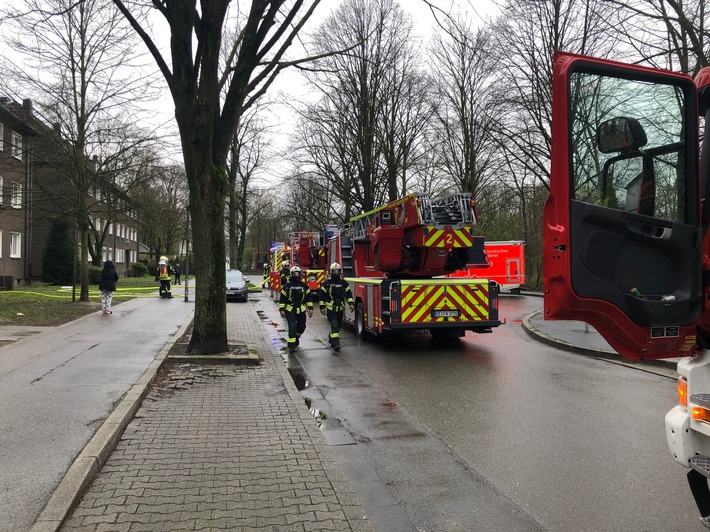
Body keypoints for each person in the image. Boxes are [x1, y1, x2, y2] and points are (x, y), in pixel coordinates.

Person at [319, 262, 354, 351]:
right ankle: (336, 344)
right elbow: (322, 295)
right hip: (331, 309)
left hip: (340, 308)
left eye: (337, 271)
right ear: (331, 272)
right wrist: (322, 307)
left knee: (337, 326)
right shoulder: (327, 283)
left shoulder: (344, 283)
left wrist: (351, 304)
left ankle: (331, 338)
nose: (336, 273)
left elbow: (348, 294)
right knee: (334, 326)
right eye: (334, 271)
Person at [279, 266, 313, 353]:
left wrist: (310, 308)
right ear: (291, 274)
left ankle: (296, 338)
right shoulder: (287, 286)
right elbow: (283, 298)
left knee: (302, 326)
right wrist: (282, 309)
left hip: (301, 309)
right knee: (292, 326)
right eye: (295, 273)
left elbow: (309, 297)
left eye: (298, 273)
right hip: (290, 309)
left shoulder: (304, 285)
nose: (296, 275)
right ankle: (291, 345)